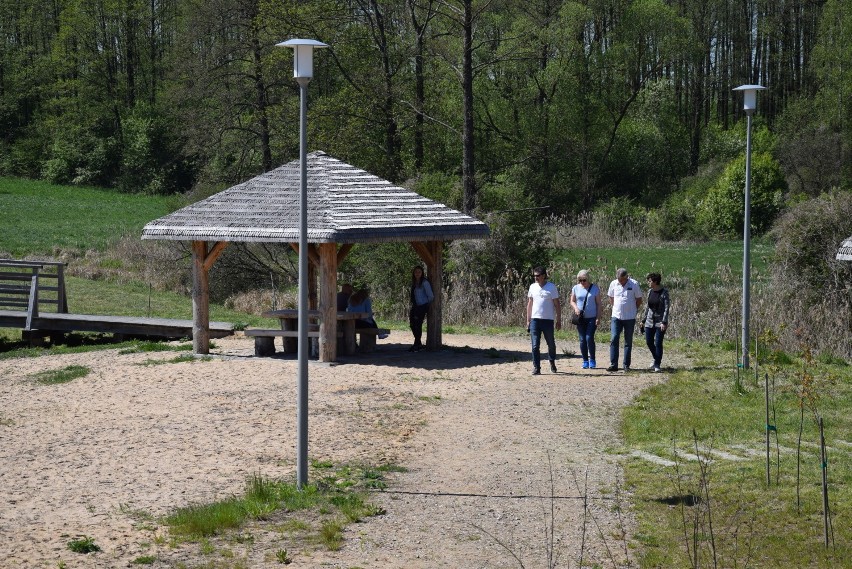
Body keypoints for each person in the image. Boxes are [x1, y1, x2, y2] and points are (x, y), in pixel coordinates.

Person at [526, 266, 562, 375]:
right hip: (535, 320)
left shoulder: (551, 287)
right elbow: (530, 303)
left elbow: (557, 304)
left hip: (548, 320)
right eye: (534, 276)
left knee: (551, 343)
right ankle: (536, 367)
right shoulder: (532, 287)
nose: (535, 278)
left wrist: (559, 320)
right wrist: (528, 320)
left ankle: (552, 361)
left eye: (537, 276)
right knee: (535, 345)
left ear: (543, 276)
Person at [607, 268, 643, 372]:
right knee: (614, 338)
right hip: (616, 316)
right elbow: (611, 297)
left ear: (627, 277)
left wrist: (633, 309)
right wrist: (616, 307)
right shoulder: (613, 284)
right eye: (619, 279)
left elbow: (639, 299)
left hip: (629, 317)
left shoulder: (634, 284)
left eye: (622, 280)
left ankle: (626, 365)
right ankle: (613, 364)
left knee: (628, 341)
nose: (620, 281)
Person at [570, 269, 602, 369]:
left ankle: (592, 359)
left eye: (584, 280)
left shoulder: (595, 288)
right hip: (580, 318)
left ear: (588, 279)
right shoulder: (575, 288)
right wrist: (575, 308)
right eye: (580, 280)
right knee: (582, 339)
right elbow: (572, 301)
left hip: (592, 318)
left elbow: (599, 304)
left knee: (589, 338)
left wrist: (598, 317)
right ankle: (585, 360)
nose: (582, 282)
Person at [642, 272, 670, 372]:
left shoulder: (664, 292)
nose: (648, 283)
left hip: (660, 321)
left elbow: (667, 308)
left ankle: (657, 364)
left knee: (658, 342)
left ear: (655, 281)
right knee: (649, 341)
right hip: (649, 320)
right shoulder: (650, 291)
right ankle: (656, 358)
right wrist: (643, 319)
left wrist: (664, 322)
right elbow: (647, 307)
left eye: (650, 281)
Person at [408, 266, 433, 352]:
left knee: (418, 325)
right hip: (415, 306)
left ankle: (416, 344)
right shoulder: (414, 283)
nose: (417, 273)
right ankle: (418, 343)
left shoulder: (425, 282)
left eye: (419, 272)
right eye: (415, 272)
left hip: (422, 306)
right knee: (412, 324)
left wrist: (426, 305)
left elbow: (430, 296)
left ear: (422, 273)